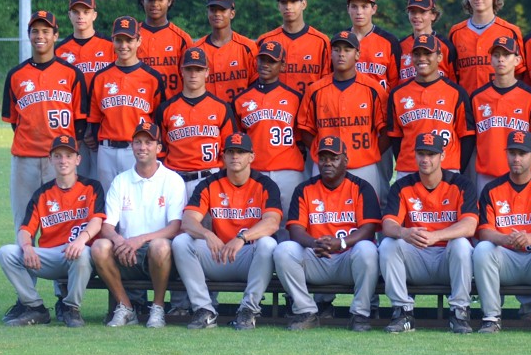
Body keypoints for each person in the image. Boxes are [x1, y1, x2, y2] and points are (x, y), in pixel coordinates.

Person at [172, 133, 282, 330]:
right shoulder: (209, 183)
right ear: (223, 157)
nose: (235, 156)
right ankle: (204, 310)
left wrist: (242, 237)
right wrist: (207, 234)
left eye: (241, 152)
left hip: (249, 257)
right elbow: (188, 221)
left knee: (268, 244)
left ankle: (248, 310)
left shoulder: (266, 185)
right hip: (218, 254)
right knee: (181, 242)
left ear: (251, 157)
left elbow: (272, 223)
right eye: (230, 152)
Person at [273, 136, 381, 331]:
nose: (327, 163)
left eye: (334, 158)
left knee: (367, 249)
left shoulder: (361, 187)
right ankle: (306, 312)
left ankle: (360, 314)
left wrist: (341, 243)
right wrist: (315, 243)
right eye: (323, 158)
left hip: (348, 259)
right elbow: (295, 230)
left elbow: (368, 229)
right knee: (284, 250)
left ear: (345, 160)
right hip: (317, 256)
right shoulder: (304, 189)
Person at [0, 135, 104, 327]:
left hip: (81, 255)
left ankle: (71, 309)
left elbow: (97, 221)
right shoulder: (42, 194)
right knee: (6, 253)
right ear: (50, 160)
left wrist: (81, 240)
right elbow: (25, 229)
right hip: (51, 256)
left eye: (69, 156)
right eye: (58, 156)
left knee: (83, 253)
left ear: (78, 159)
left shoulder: (92, 187)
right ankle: (35, 307)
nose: (63, 160)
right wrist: (27, 247)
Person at [90, 121, 186, 328]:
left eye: (148, 143)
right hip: (126, 252)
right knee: (99, 246)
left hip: (161, 255)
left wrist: (140, 240)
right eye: (138, 142)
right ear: (132, 146)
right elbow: (107, 226)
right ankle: (125, 307)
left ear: (159, 148)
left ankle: (157, 308)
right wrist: (119, 240)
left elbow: (175, 227)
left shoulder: (173, 180)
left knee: (159, 246)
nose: (142, 147)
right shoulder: (121, 180)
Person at [379, 133, 478, 333]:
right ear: (414, 155)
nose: (425, 159)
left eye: (431, 154)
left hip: (447, 259)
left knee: (461, 244)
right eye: (421, 154)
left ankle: (459, 313)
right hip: (417, 258)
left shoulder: (461, 184)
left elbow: (470, 226)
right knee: (389, 244)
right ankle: (403, 312)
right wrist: (403, 232)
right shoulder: (402, 185)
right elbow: (388, 224)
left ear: (442, 156)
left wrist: (437, 235)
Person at [473, 131, 531, 335]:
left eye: (522, 153)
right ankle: (491, 318)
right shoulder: (491, 189)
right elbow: (484, 231)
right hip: (506, 260)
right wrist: (504, 238)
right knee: (482, 249)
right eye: (513, 153)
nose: (517, 158)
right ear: (506, 154)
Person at [2, 10, 87, 232]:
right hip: (25, 159)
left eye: (46, 31)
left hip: (60, 159)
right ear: (29, 35)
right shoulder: (16, 75)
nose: (40, 36)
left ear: (55, 35)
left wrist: (67, 153)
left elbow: (80, 121)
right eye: (35, 31)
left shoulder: (71, 74)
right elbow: (14, 121)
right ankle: (25, 256)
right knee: (24, 224)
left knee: (61, 224)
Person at [297, 30, 389, 203]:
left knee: (367, 214)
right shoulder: (315, 90)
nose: (341, 54)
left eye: (347, 50)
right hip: (325, 165)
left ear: (357, 54)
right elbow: (305, 130)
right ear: (330, 54)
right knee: (323, 214)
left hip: (363, 165)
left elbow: (386, 131)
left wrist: (371, 152)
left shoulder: (373, 89)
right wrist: (319, 153)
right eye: (337, 49)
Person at [232, 41, 305, 241]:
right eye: (262, 59)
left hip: (289, 171)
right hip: (256, 172)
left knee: (291, 226)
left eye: (271, 61)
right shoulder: (241, 100)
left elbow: (302, 137)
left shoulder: (295, 98)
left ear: (282, 65)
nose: (265, 64)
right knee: (256, 226)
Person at [87, 16, 166, 193]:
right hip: (107, 150)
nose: (123, 45)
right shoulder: (101, 77)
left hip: (137, 149)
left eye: (129, 40)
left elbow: (159, 120)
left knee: (139, 199)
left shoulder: (152, 77)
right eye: (119, 40)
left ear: (139, 41)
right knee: (109, 200)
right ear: (112, 41)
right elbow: (95, 119)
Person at [388, 34, 475, 179]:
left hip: (447, 168)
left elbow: (467, 136)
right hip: (408, 169)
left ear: (439, 57)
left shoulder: (456, 92)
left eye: (428, 53)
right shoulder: (398, 94)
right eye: (417, 54)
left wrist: (455, 168)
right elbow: (395, 138)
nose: (422, 58)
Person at [154, 46, 236, 198]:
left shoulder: (221, 108)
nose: (193, 74)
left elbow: (230, 150)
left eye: (198, 69)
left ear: (207, 72)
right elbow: (160, 151)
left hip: (209, 178)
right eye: (189, 69)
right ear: (182, 71)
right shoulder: (165, 109)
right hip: (175, 179)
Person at [56, 0, 115, 180]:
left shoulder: (110, 46)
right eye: (76, 12)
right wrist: (80, 131)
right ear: (69, 15)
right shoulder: (59, 51)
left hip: (104, 125)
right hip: (73, 127)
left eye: (86, 12)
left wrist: (95, 129)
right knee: (76, 183)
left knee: (102, 186)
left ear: (94, 15)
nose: (81, 16)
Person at [471, 36, 531, 192]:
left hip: (522, 174)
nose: (501, 59)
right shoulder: (477, 97)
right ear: (491, 60)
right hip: (487, 174)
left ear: (517, 60)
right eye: (496, 55)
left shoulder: (530, 97)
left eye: (506, 55)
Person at [449, 0, 526, 95]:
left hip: (500, 102)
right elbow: (452, 75)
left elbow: (519, 73)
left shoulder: (510, 31)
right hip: (466, 102)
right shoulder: (456, 32)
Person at [257, 0, 331, 95]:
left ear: (304, 4)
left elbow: (327, 82)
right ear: (278, 6)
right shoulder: (265, 41)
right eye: (284, 2)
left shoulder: (321, 41)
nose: (288, 7)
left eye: (293, 1)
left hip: (310, 104)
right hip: (274, 105)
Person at [194, 0, 258, 103]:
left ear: (232, 13)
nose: (217, 14)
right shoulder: (196, 50)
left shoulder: (248, 47)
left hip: (241, 111)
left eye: (222, 10)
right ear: (207, 13)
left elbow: (257, 86)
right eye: (213, 10)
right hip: (206, 111)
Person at [137, 0, 193, 99]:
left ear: (169, 1)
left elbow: (192, 79)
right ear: (142, 1)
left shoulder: (182, 39)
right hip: (139, 105)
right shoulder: (131, 36)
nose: (155, 4)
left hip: (172, 106)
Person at [346, 0, 401, 91]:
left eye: (364, 6)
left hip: (380, 100)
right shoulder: (341, 40)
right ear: (348, 9)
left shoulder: (389, 41)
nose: (359, 12)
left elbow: (396, 83)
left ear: (374, 9)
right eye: (354, 6)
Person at [398, 0, 457, 83]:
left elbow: (454, 83)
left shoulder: (446, 47)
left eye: (422, 12)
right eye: (413, 12)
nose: (417, 16)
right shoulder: (400, 46)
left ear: (433, 15)